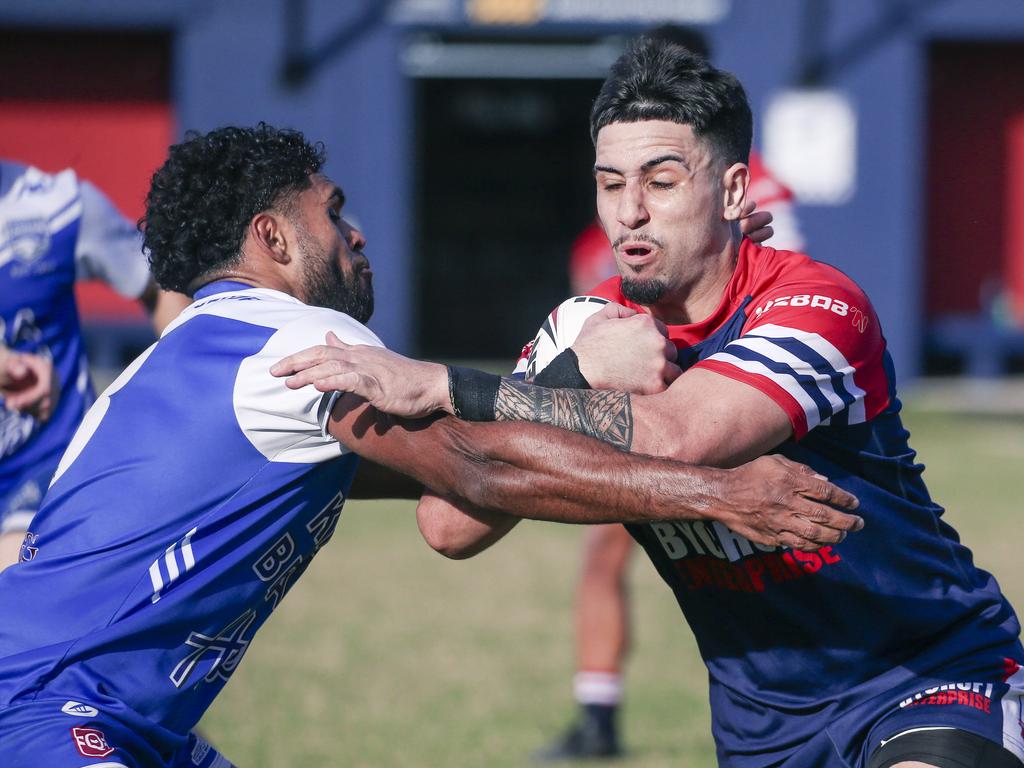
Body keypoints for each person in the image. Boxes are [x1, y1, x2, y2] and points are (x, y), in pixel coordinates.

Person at [0, 124, 860, 768]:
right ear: (272, 238)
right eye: (333, 213)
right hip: (46, 703)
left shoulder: (203, 350)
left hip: (116, 713)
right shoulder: (290, 335)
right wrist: (716, 492)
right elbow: (479, 467)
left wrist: (563, 379)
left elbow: (449, 488)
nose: (357, 232)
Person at [275, 40, 1024, 768]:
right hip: (762, 732)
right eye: (609, 183)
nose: (630, 211)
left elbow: (679, 436)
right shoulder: (584, 330)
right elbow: (448, 524)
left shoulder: (816, 305)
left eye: (661, 181)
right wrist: (575, 373)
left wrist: (445, 384)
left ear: (732, 192)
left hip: (929, 675)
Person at [555, 24, 806, 759]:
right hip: (642, 407)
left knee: (774, 566)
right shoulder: (632, 199)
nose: (633, 202)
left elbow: (778, 287)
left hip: (745, 403)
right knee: (604, 555)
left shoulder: (752, 184)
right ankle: (598, 718)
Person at [0, 160, 189, 570]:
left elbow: (157, 287)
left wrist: (191, 393)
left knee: (17, 582)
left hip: (42, 469)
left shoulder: (59, 206)